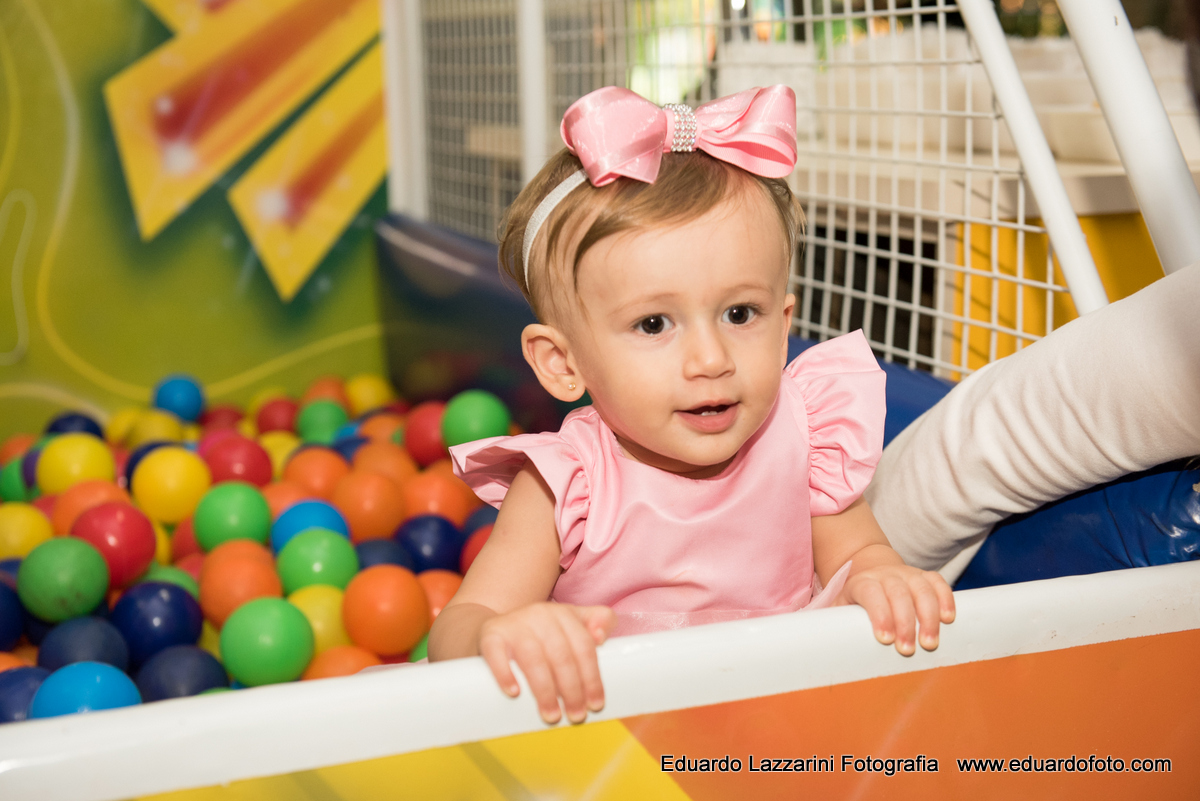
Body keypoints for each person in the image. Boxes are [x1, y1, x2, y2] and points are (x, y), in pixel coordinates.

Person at [427, 85, 955, 726]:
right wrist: (501, 638)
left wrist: (883, 578)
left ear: (784, 324)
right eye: (654, 324)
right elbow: (458, 628)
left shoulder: (804, 435)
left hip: (777, 726)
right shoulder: (566, 485)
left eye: (740, 314)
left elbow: (860, 554)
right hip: (615, 746)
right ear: (563, 364)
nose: (710, 359)